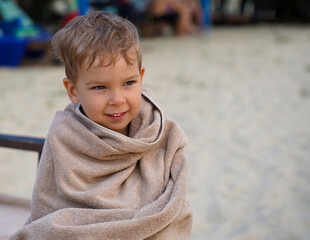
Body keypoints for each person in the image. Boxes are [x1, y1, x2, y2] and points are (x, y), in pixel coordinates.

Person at [9, 11, 192, 240]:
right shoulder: (64, 136)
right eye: (100, 87)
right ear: (73, 90)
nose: (117, 99)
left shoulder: (160, 131)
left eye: (129, 83)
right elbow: (49, 209)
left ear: (141, 78)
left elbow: (174, 204)